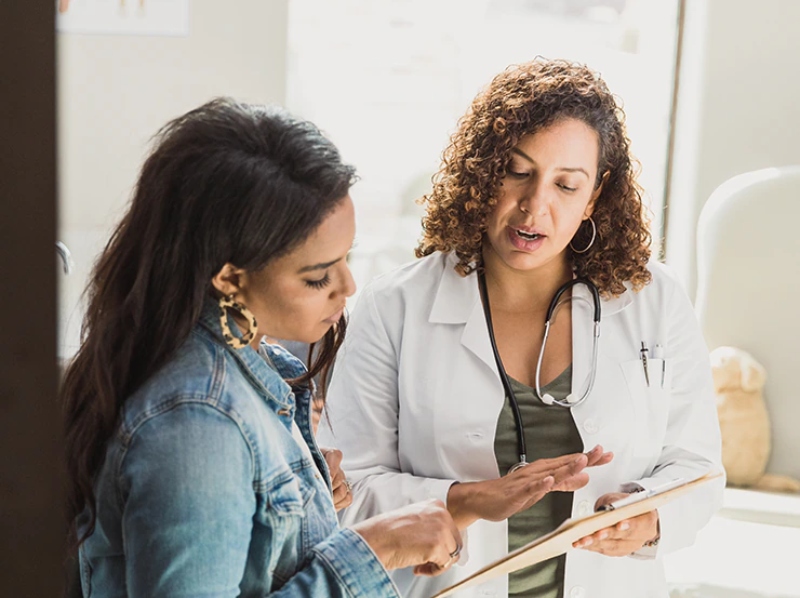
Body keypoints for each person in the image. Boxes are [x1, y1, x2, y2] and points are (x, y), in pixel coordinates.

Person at [317, 58, 724, 598]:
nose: (535, 206)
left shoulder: (654, 299)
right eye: (517, 171)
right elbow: (344, 490)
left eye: (566, 185)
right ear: (484, 171)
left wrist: (647, 519)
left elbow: (697, 468)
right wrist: (467, 499)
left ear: (595, 195)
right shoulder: (395, 306)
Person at [60, 98, 464, 597]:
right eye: (318, 277)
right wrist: (373, 551)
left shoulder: (240, 368)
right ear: (230, 278)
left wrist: (307, 504)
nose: (348, 286)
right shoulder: (198, 422)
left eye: (346, 257)